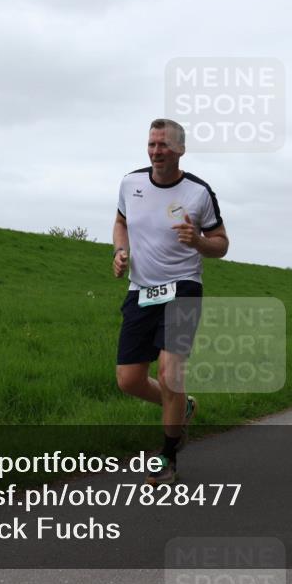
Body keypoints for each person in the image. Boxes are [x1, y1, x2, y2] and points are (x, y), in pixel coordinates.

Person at [113, 118, 229, 486]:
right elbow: (120, 222)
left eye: (163, 145)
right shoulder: (130, 183)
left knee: (169, 373)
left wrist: (199, 242)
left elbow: (222, 244)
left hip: (183, 289)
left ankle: (167, 456)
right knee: (129, 380)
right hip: (141, 290)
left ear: (180, 149)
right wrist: (120, 251)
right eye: (152, 144)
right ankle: (184, 407)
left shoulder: (198, 192)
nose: (156, 151)